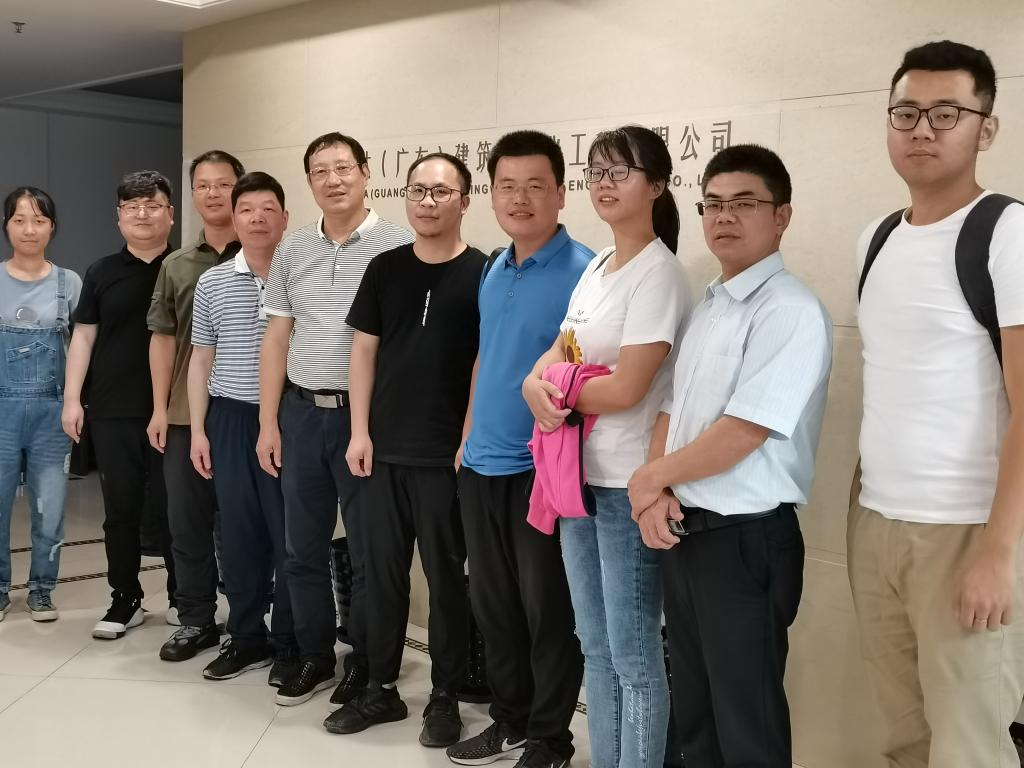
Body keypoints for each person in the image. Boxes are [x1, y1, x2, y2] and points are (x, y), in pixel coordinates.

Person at [629, 145, 832, 768]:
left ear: (782, 216)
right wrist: (658, 492)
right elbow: (672, 409)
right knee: (696, 714)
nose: (724, 217)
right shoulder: (711, 303)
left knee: (747, 723)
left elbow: (743, 431)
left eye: (744, 203)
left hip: (745, 542)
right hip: (688, 531)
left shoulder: (789, 310)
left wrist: (648, 478)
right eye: (713, 204)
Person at [851, 40, 1024, 768]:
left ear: (986, 128)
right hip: (876, 524)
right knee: (905, 739)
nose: (922, 129)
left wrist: (998, 552)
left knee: (970, 747)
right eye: (907, 112)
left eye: (946, 113)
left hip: (964, 530)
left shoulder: (1007, 231)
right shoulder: (876, 237)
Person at [522, 125, 690, 768]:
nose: (604, 183)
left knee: (635, 656)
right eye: (596, 171)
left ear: (657, 185)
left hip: (627, 486)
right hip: (577, 480)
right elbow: (561, 350)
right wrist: (533, 383)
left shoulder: (659, 274)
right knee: (594, 646)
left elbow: (627, 389)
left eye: (620, 171)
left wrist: (557, 391)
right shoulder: (597, 267)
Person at [325, 153, 483, 747]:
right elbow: (363, 352)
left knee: (446, 582)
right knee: (382, 578)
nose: (427, 202)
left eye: (441, 192)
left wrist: (467, 437)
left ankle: (444, 697)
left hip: (445, 458)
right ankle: (380, 689)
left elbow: (482, 362)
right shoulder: (385, 269)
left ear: (464, 200)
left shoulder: (483, 273)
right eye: (417, 191)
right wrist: (359, 432)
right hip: (382, 453)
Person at [446, 131, 590, 768]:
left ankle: (550, 740)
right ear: (491, 195)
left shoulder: (586, 271)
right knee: (494, 606)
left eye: (535, 186)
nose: (520, 198)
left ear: (560, 192)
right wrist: (467, 434)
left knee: (546, 612)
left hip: (541, 472)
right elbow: (486, 356)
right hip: (481, 464)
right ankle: (509, 720)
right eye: (507, 186)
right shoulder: (495, 266)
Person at [258, 132, 413, 706]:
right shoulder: (293, 248)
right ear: (309, 182)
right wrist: (268, 422)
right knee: (302, 548)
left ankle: (367, 662)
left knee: (371, 553)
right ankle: (315, 656)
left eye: (343, 167)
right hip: (301, 415)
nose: (333, 179)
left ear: (366, 172)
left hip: (366, 421)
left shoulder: (399, 244)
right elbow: (277, 338)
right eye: (320, 171)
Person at [188, 171, 298, 685]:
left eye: (268, 208)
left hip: (291, 417)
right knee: (238, 533)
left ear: (285, 218)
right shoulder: (212, 282)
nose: (257, 218)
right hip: (229, 417)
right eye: (246, 209)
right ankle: (247, 636)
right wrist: (199, 430)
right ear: (233, 220)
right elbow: (200, 359)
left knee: (291, 534)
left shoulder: (300, 275)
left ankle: (292, 642)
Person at [62, 171, 177, 638]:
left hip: (176, 409)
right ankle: (125, 599)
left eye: (152, 205)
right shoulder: (101, 272)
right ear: (119, 216)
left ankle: (184, 596)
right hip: (112, 409)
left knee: (176, 508)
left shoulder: (186, 266)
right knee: (121, 509)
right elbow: (83, 337)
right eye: (132, 206)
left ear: (171, 213)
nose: (142, 214)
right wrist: (73, 399)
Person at [148, 150, 244, 662]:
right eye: (202, 185)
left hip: (248, 413)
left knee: (246, 523)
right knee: (187, 522)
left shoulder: (268, 255)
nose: (212, 193)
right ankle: (196, 619)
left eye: (223, 183)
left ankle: (251, 621)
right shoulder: (177, 265)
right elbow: (163, 339)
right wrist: (160, 408)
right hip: (187, 415)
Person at [0, 187, 81, 623]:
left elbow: (84, 347)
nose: (29, 229)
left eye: (38, 220)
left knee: (49, 507)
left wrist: (75, 401)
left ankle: (42, 590)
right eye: (19, 219)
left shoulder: (69, 283)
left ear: (52, 227)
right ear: (6, 226)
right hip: (1, 414)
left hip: (53, 413)